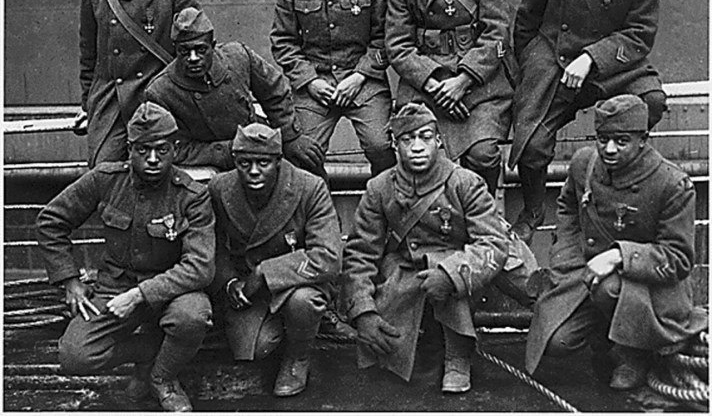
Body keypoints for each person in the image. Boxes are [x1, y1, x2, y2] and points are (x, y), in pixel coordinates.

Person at [509, 0, 667, 244]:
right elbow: (526, 21)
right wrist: (533, 66)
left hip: (612, 66)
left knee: (652, 101)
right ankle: (532, 210)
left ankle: (618, 185)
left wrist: (591, 58)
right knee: (532, 144)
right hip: (555, 60)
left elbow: (639, 35)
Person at [36, 102, 216, 412]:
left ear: (175, 149)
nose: (153, 159)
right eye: (143, 150)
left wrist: (138, 295)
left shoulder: (192, 196)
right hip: (114, 287)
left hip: (172, 291)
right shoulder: (105, 179)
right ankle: (148, 353)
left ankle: (163, 378)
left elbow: (200, 267)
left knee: (192, 316)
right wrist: (70, 280)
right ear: (130, 149)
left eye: (162, 150)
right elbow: (51, 221)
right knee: (75, 356)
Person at [525, 95, 706, 390]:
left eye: (621, 141)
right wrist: (565, 256)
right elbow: (568, 206)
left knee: (609, 288)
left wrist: (619, 256)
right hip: (587, 273)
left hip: (649, 289)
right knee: (556, 342)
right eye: (603, 139)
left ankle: (633, 354)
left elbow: (679, 258)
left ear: (642, 140)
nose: (609, 149)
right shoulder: (584, 164)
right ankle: (606, 337)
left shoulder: (672, 184)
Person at [342, 103, 510, 392]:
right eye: (407, 139)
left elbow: (493, 243)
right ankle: (419, 343)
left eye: (425, 137)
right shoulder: (380, 188)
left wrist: (450, 275)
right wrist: (363, 311)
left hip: (459, 269)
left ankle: (458, 354)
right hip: (406, 270)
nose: (417, 147)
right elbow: (360, 253)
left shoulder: (465, 182)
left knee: (449, 270)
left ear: (439, 141)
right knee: (388, 361)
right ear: (395, 145)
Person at [385, 0, 514, 197]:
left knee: (483, 155)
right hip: (427, 86)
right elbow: (397, 45)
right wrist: (436, 85)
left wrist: (463, 80)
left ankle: (482, 211)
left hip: (479, 84)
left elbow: (497, 33)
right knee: (417, 154)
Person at [208, 123, 342, 397]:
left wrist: (265, 273)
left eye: (263, 163)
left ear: (279, 161)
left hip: (298, 283)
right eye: (245, 163)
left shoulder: (309, 187)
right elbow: (213, 247)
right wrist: (229, 282)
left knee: (303, 302)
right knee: (256, 348)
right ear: (235, 161)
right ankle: (281, 331)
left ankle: (298, 355)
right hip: (248, 290)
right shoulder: (220, 188)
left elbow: (328, 257)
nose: (254, 171)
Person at [270, 0, 396, 178]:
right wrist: (310, 81)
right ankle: (319, 202)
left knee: (381, 145)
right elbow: (283, 42)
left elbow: (385, 39)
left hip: (363, 82)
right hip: (316, 83)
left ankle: (384, 201)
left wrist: (359, 76)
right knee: (302, 152)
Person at [76, 0, 201, 168]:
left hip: (160, 99)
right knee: (104, 171)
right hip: (112, 102)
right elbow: (89, 58)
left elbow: (198, 46)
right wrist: (88, 106)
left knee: (162, 166)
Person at [145, 7, 324, 175]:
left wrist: (289, 136)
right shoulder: (160, 91)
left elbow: (275, 91)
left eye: (200, 50)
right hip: (210, 162)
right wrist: (229, 150)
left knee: (307, 163)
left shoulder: (238, 57)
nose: (193, 58)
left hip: (257, 143)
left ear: (213, 45)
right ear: (175, 49)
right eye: (184, 51)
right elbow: (175, 149)